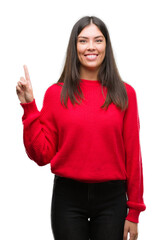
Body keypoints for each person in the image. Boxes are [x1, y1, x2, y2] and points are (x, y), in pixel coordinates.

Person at [16, 16, 146, 240]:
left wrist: (134, 212)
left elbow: (133, 156)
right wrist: (29, 107)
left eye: (98, 40)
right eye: (83, 41)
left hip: (112, 199)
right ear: (74, 47)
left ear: (106, 45)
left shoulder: (125, 94)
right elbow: (41, 155)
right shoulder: (56, 94)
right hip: (68, 198)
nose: (91, 47)